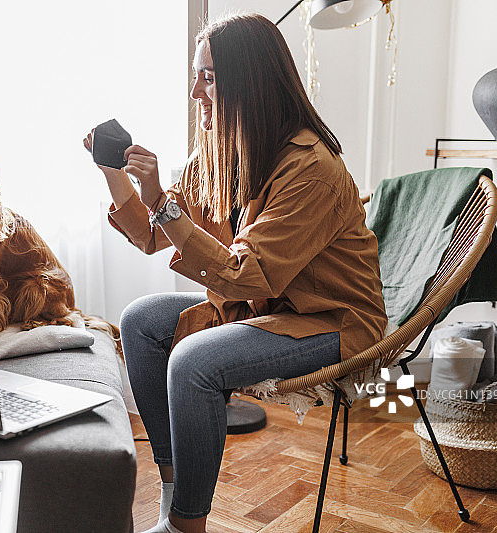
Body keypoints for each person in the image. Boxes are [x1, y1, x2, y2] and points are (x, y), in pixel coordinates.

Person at [83, 13, 387, 533]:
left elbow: (247, 275)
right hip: (265, 309)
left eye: (208, 77)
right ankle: (175, 493)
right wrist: (116, 174)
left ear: (249, 81)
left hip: (330, 321)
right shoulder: (223, 150)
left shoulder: (312, 167)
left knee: (193, 362)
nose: (193, 91)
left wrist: (161, 201)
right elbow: (154, 235)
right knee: (139, 321)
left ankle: (186, 525)